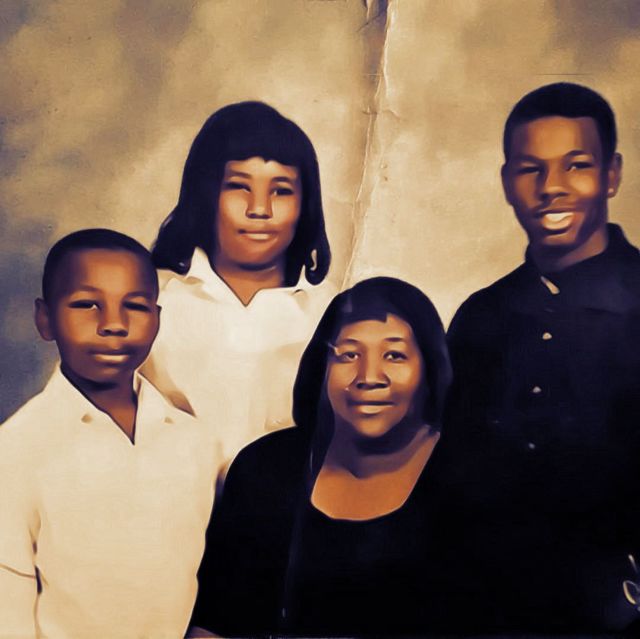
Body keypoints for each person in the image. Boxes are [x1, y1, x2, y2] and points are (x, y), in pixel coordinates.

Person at [439, 83, 640, 633]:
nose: (552, 187)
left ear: (612, 175)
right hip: (485, 615)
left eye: (576, 165)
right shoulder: (481, 315)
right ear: (508, 182)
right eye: (531, 169)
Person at [189, 277, 464, 637]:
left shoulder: (472, 481)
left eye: (394, 355)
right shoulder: (265, 467)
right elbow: (215, 622)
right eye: (348, 354)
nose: (369, 377)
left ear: (429, 367)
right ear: (322, 367)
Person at [0, 229, 219, 638]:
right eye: (86, 305)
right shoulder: (15, 451)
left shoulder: (196, 442)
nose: (114, 325)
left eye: (134, 306)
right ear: (45, 319)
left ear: (157, 319)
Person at [142, 101, 335, 470]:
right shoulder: (150, 299)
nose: (259, 209)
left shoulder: (331, 317)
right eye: (238, 187)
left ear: (305, 204)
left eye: (280, 191)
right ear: (206, 194)